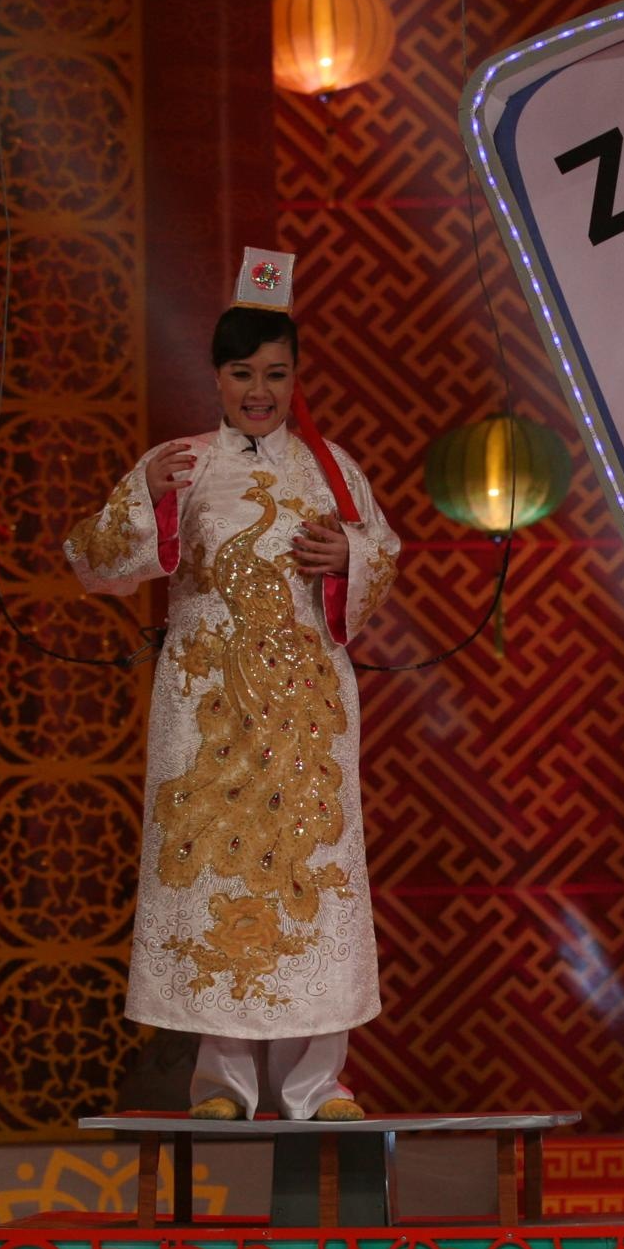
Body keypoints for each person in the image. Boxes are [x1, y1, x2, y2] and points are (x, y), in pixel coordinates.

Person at [69, 248, 401, 1122]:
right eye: (243, 373)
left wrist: (350, 556)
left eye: (276, 374)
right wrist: (142, 498)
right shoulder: (179, 462)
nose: (260, 391)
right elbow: (95, 564)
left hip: (307, 711)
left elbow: (384, 555)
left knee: (314, 869)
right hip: (207, 712)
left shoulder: (333, 469)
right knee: (213, 871)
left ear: (295, 379)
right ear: (216, 377)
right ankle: (221, 1084)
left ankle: (318, 1085)